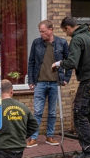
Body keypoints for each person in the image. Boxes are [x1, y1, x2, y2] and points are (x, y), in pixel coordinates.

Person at [52, 16, 90, 158]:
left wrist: (58, 64)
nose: (66, 34)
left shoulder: (77, 39)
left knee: (79, 113)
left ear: (68, 27)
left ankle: (88, 151)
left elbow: (72, 62)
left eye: (65, 31)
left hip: (89, 81)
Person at [27, 20, 71, 148]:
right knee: (38, 112)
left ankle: (49, 136)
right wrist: (31, 80)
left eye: (44, 32)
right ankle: (33, 138)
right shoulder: (36, 43)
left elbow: (69, 62)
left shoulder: (62, 43)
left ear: (51, 30)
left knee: (52, 112)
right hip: (40, 82)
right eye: (40, 32)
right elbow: (31, 62)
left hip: (55, 83)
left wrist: (66, 78)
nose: (41, 34)